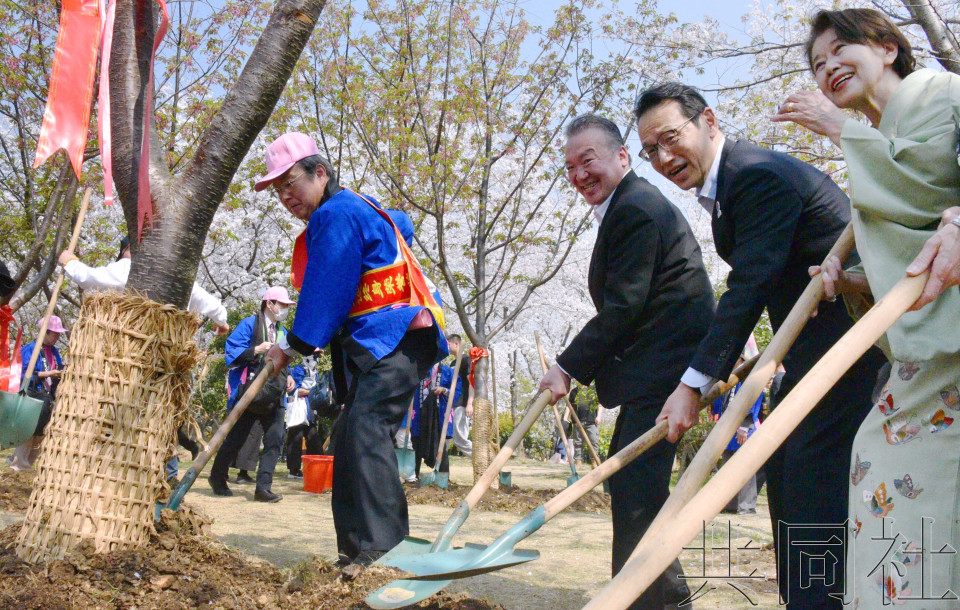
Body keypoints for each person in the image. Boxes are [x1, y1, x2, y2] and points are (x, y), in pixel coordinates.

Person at [635, 82, 885, 608]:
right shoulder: (731, 186)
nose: (663, 157)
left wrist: (692, 383)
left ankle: (822, 601)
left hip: (850, 350)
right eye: (650, 149)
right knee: (789, 478)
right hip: (808, 350)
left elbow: (750, 283)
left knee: (813, 483)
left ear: (709, 121)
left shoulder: (755, 175)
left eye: (670, 137)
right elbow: (772, 277)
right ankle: (806, 600)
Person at [774, 8, 960, 606]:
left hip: (948, 346)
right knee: (879, 465)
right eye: (817, 63)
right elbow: (913, 234)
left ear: (886, 47)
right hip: (926, 345)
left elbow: (929, 183)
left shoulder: (942, 92)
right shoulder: (875, 140)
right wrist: (854, 279)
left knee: (896, 464)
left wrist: (840, 129)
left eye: (838, 50)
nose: (827, 68)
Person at [538, 114, 715, 609]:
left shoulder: (636, 208)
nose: (578, 175)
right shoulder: (627, 207)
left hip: (670, 369)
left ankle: (649, 599)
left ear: (621, 157)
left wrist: (568, 367)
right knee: (635, 484)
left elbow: (624, 305)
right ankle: (661, 596)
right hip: (659, 366)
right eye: (569, 167)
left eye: (587, 160)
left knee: (637, 486)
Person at [258, 132, 448, 568]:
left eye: (292, 184)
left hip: (396, 337)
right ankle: (357, 553)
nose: (286, 197)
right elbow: (400, 223)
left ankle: (385, 552)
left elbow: (327, 293)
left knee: (364, 429)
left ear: (320, 173)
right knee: (348, 435)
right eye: (278, 191)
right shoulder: (356, 207)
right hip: (382, 344)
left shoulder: (338, 213)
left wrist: (289, 344)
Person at [60, 235, 230, 483]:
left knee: (119, 420)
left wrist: (69, 261)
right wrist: (221, 319)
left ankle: (115, 472)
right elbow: (207, 300)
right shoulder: (172, 273)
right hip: (163, 364)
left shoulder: (129, 267)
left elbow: (88, 278)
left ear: (128, 249)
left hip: (123, 361)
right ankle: (165, 475)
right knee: (158, 421)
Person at [207, 286, 296, 502]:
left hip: (275, 394)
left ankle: (263, 488)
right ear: (270, 304)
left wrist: (291, 375)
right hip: (250, 392)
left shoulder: (283, 331)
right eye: (282, 305)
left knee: (275, 439)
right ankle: (217, 477)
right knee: (236, 438)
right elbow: (232, 351)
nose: (285, 309)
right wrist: (256, 350)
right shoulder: (248, 324)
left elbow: (285, 358)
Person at [9, 315, 67, 471]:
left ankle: (28, 463)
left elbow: (58, 367)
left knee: (42, 432)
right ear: (46, 332)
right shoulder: (30, 349)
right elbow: (22, 374)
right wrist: (48, 374)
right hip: (33, 394)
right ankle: (18, 464)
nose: (57, 337)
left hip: (48, 396)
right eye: (55, 334)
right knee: (28, 430)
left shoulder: (54, 351)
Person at [712, 356, 763, 515]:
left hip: (743, 428)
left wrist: (745, 427)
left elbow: (753, 402)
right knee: (728, 466)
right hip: (728, 428)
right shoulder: (727, 378)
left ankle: (746, 506)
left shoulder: (752, 379)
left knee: (745, 467)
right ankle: (730, 504)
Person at [285, 362, 322, 478]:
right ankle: (293, 469)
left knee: (313, 438)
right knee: (296, 437)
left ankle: (315, 467)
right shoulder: (299, 369)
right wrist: (311, 392)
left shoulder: (315, 373)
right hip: (298, 409)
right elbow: (293, 389)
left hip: (309, 410)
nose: (317, 359)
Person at [445, 333, 473, 456]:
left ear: (456, 344)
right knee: (458, 439)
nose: (447, 347)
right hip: (453, 404)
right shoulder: (452, 363)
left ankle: (485, 458)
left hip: (463, 403)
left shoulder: (466, 360)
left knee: (460, 439)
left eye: (448, 344)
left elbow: (471, 382)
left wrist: (470, 403)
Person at [568, 384, 600, 466]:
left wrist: (599, 416)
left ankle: (594, 462)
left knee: (594, 441)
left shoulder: (593, 391)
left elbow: (600, 404)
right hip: (577, 420)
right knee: (578, 442)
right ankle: (578, 462)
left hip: (591, 420)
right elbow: (569, 405)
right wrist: (566, 416)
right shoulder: (574, 391)